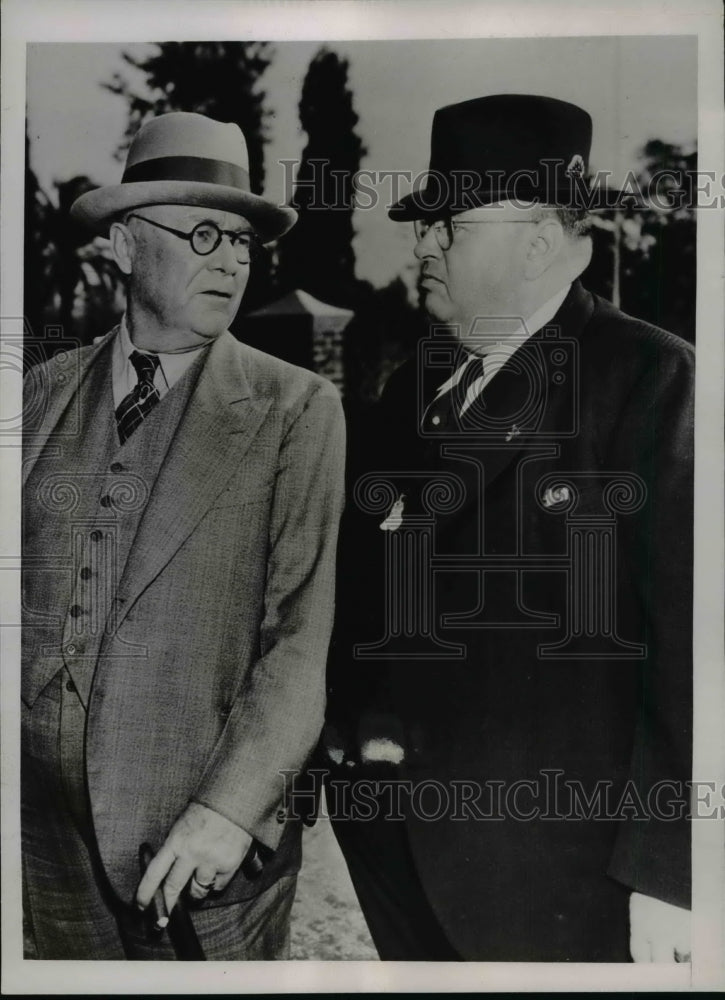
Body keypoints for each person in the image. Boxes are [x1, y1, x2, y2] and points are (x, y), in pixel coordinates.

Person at [325, 95, 693, 962]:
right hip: (402, 858)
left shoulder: (650, 382)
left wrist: (672, 879)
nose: (419, 244)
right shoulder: (413, 387)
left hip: (563, 886)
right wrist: (355, 721)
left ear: (535, 240)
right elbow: (370, 591)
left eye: (445, 225)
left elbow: (694, 654)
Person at [22, 111, 345, 959]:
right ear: (128, 245)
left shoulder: (295, 408)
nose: (232, 260)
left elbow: (298, 644)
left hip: (198, 859)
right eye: (205, 233)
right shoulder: (43, 391)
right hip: (43, 851)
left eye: (242, 242)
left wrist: (229, 811)